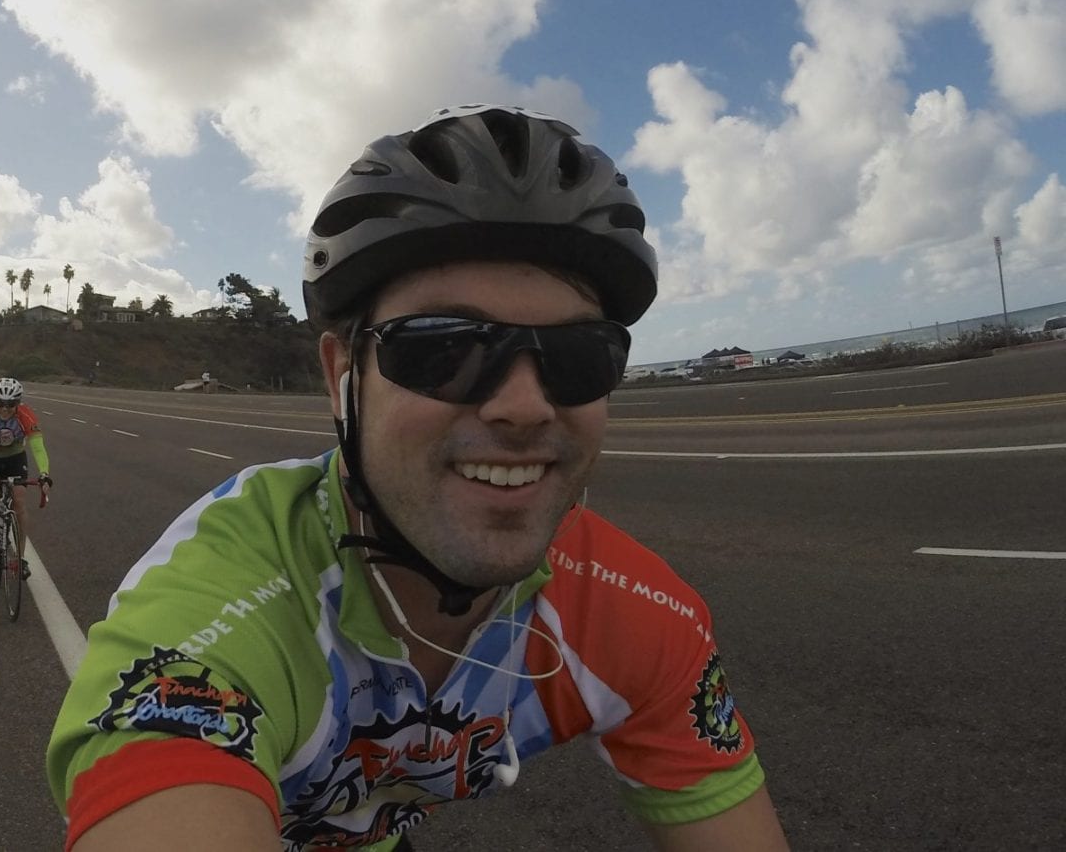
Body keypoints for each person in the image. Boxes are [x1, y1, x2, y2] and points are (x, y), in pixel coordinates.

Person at [47, 105, 787, 851]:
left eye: (578, 355)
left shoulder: (629, 613)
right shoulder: (223, 608)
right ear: (343, 377)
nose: (526, 407)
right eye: (444, 347)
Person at [0, 376, 52, 579]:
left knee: (19, 501)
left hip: (15, 458)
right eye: (0, 404)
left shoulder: (26, 414)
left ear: (18, 403)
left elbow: (38, 448)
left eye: (11, 404)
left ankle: (21, 558)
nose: (5, 409)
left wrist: (44, 475)